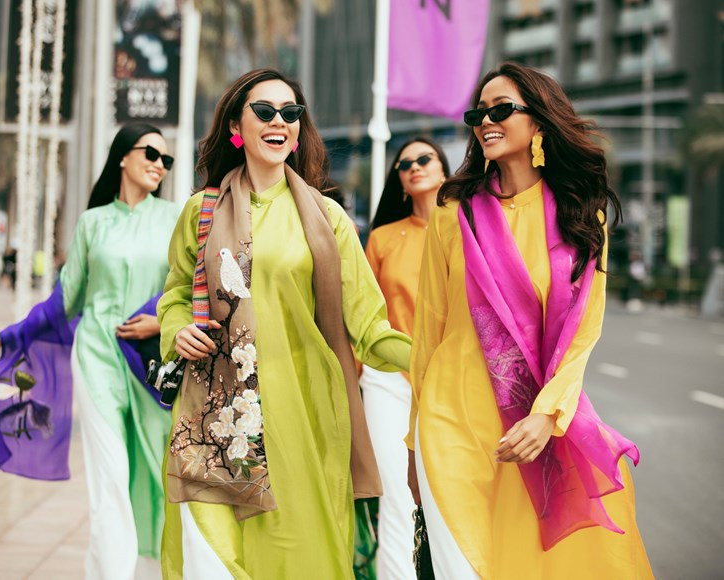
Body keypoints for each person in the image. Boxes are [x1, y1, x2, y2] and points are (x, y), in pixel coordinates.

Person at [156, 68, 411, 579]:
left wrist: (439, 355)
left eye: (290, 112)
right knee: (212, 561)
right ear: (236, 126)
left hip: (302, 418)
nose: (280, 121)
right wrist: (176, 329)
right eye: (265, 111)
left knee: (297, 560)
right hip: (214, 419)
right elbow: (177, 294)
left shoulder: (327, 218)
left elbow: (369, 327)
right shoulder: (202, 211)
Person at [407, 62, 653, 579]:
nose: (485, 121)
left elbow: (583, 334)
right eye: (478, 113)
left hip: (532, 428)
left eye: (501, 110)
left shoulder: (581, 216)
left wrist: (546, 416)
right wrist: (413, 444)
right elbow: (428, 332)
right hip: (451, 421)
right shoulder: (454, 213)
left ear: (539, 120)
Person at [0, 123, 180, 580]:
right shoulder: (93, 223)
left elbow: (187, 288)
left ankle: (147, 571)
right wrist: (7, 337)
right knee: (110, 475)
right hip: (97, 358)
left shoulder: (174, 218)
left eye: (166, 160)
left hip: (151, 365)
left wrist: (162, 321)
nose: (159, 165)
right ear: (122, 155)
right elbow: (64, 301)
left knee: (154, 470)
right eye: (150, 153)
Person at [363, 137, 450, 580]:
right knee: (398, 494)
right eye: (404, 164)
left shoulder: (467, 229)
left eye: (424, 159)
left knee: (447, 494)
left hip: (450, 381)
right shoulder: (382, 238)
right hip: (388, 380)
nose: (414, 166)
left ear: (444, 169)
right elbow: (361, 316)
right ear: (398, 180)